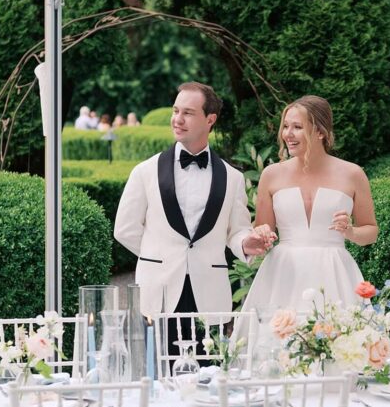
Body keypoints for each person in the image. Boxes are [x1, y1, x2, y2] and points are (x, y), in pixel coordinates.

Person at [114, 82, 274, 319]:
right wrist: (161, 255)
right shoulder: (144, 171)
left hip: (209, 293)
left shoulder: (233, 178)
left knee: (209, 357)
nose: (178, 119)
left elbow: (236, 231)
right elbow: (125, 229)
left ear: (210, 120)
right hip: (159, 292)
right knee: (156, 357)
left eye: (188, 113)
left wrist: (245, 243)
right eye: (175, 111)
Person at [241, 95, 378, 316]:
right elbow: (262, 229)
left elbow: (371, 231)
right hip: (283, 274)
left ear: (320, 132)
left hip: (333, 272)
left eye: (297, 127)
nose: (288, 134)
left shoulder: (353, 174)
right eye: (285, 126)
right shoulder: (271, 174)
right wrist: (261, 235)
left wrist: (350, 231)